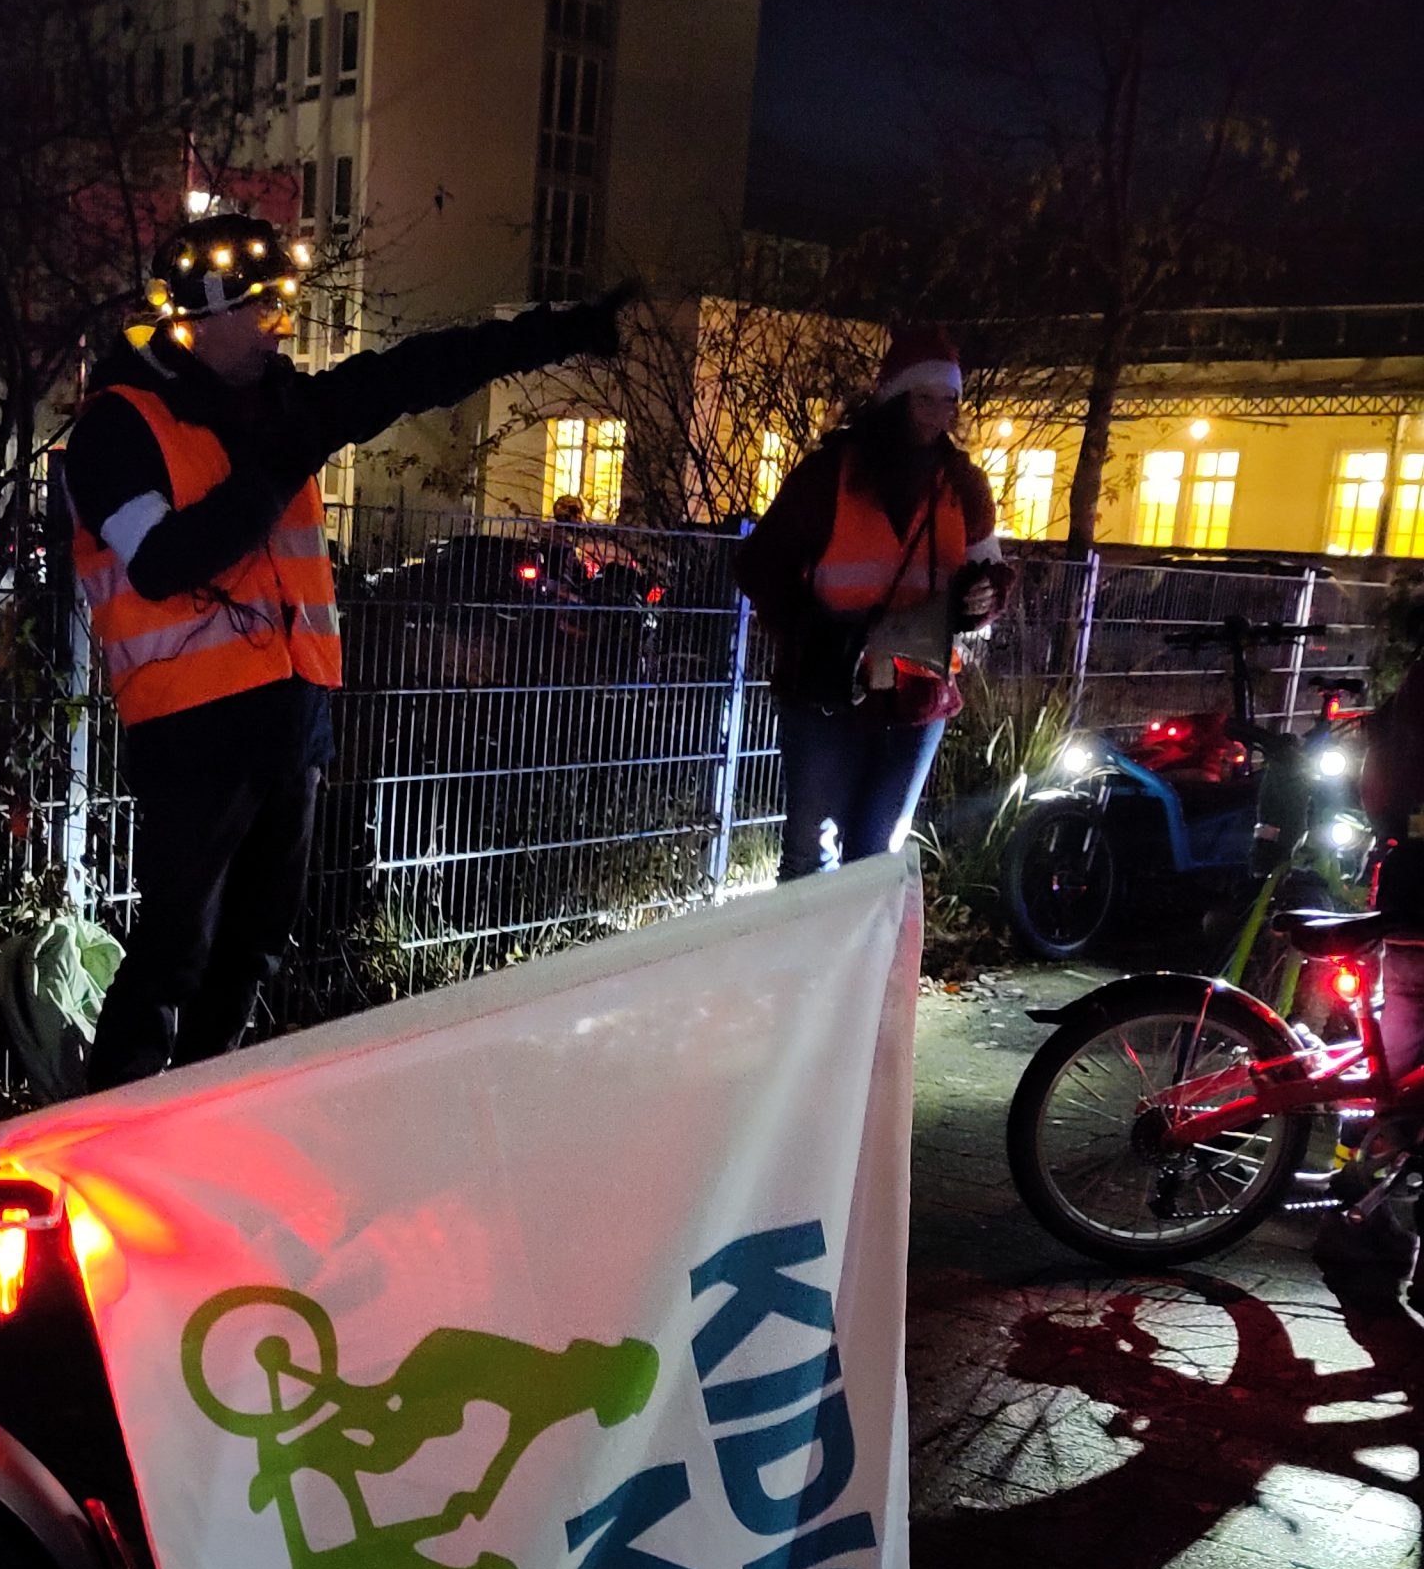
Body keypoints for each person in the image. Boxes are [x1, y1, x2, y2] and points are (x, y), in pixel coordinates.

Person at [64, 213, 627, 1087]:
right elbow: (167, 562)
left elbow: (417, 372)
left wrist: (561, 333)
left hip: (292, 722)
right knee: (174, 951)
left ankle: (201, 1117)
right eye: (258, 310)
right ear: (194, 321)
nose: (278, 325)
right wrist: (276, 465)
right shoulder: (116, 428)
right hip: (192, 733)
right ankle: (106, 1135)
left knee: (253, 949)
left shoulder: (280, 407)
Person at [730, 326, 1014, 880]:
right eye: (926, 399)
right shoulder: (827, 477)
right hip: (828, 688)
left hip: (916, 696)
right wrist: (818, 630)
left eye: (950, 401)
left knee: (876, 857)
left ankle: (854, 966)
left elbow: (990, 572)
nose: (940, 415)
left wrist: (987, 596)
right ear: (895, 400)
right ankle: (812, 966)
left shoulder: (965, 487)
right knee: (811, 856)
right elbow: (758, 565)